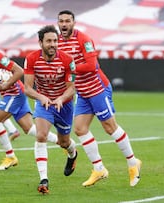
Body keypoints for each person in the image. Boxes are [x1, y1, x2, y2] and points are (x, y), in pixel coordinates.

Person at [57, 10, 142, 187]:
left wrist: (68, 68)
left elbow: (92, 65)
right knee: (80, 129)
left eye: (67, 21)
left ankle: (133, 163)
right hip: (82, 92)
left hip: (97, 88)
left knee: (109, 127)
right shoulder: (57, 42)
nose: (64, 24)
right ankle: (99, 169)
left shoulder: (84, 39)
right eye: (61, 21)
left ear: (73, 22)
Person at [0, 30, 60, 170]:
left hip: (14, 93)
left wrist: (6, 84)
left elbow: (19, 71)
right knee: (29, 129)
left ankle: (10, 157)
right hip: (11, 94)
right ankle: (64, 143)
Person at [24, 25, 78, 194]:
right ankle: (43, 180)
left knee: (64, 142)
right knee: (41, 135)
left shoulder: (68, 59)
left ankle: (72, 154)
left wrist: (61, 98)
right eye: (49, 41)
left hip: (65, 105)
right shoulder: (31, 59)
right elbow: (27, 88)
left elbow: (72, 87)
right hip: (44, 103)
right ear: (41, 43)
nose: (53, 44)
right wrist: (41, 98)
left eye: (55, 41)